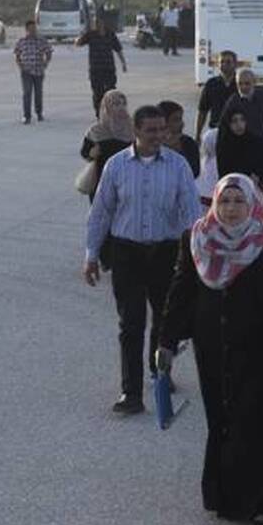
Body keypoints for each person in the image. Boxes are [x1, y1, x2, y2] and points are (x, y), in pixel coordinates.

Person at [157, 174, 263, 525]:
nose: (232, 209)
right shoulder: (196, 238)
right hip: (213, 345)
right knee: (221, 419)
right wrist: (166, 341)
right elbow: (181, 290)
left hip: (259, 346)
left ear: (252, 204)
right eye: (224, 201)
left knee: (257, 419)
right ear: (214, 203)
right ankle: (222, 496)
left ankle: (259, 503)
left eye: (239, 201)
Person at [82, 105, 201, 415]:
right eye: (151, 130)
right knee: (131, 323)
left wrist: (196, 256)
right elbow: (101, 212)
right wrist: (91, 254)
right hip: (127, 254)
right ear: (136, 131)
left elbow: (191, 213)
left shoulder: (178, 166)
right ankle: (131, 392)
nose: (158, 136)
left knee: (164, 320)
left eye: (162, 130)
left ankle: (159, 372)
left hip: (166, 252)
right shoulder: (116, 165)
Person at [80, 90, 134, 203]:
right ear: (106, 107)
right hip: (101, 181)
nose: (121, 108)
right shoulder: (96, 131)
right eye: (116, 104)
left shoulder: (133, 128)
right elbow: (84, 152)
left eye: (123, 103)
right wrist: (91, 153)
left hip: (127, 180)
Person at [219, 69, 263, 157]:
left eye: (247, 83)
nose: (243, 87)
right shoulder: (233, 102)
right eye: (240, 84)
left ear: (254, 82)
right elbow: (224, 125)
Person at [215, 106, 263, 192]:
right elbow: (223, 174)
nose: (239, 124)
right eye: (234, 121)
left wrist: (259, 177)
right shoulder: (224, 145)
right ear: (228, 124)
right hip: (233, 191)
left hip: (258, 189)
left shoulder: (258, 143)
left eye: (242, 120)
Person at [76, 19, 127, 117]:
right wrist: (82, 34)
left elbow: (118, 49)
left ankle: (111, 112)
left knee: (111, 91)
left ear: (104, 24)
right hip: (95, 68)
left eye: (99, 22)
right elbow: (78, 43)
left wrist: (123, 63)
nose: (97, 25)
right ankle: (99, 113)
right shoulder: (90, 35)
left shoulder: (110, 35)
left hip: (108, 68)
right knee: (97, 92)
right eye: (95, 23)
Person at [13, 20, 52, 124]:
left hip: (38, 71)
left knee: (38, 93)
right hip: (26, 71)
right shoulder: (22, 41)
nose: (32, 31)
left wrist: (45, 63)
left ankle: (39, 113)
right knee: (27, 93)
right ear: (26, 29)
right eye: (30, 29)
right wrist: (20, 65)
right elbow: (17, 54)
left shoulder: (41, 40)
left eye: (34, 29)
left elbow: (48, 52)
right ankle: (27, 116)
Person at [195, 50, 238, 139]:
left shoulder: (241, 84)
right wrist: (198, 134)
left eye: (228, 62)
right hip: (216, 131)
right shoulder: (211, 84)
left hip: (237, 131)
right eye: (221, 62)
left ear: (235, 64)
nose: (224, 64)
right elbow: (202, 111)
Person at [158, 100, 201, 178]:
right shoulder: (150, 145)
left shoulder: (189, 143)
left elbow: (195, 172)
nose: (182, 124)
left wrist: (178, 150)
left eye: (181, 119)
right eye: (176, 120)